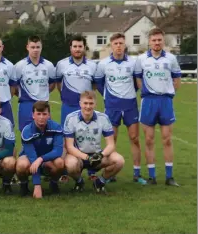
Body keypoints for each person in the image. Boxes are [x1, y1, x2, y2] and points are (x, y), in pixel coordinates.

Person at [94, 33, 145, 184]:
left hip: (130, 105)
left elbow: (136, 83)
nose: (118, 46)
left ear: (125, 45)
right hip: (112, 106)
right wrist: (108, 96)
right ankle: (112, 172)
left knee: (134, 138)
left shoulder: (133, 62)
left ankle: (137, 173)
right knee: (112, 140)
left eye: (121, 43)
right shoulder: (103, 64)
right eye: (115, 43)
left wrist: (128, 93)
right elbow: (99, 82)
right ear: (111, 45)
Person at [134, 28, 181, 186]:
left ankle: (169, 177)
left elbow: (177, 79)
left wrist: (169, 94)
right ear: (149, 42)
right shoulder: (141, 59)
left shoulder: (171, 58)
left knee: (167, 139)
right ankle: (152, 176)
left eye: (159, 40)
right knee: (149, 140)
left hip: (165, 102)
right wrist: (147, 93)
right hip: (148, 102)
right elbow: (138, 79)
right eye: (154, 40)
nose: (156, 43)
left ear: (163, 41)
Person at [63, 91, 125, 194]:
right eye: (85, 103)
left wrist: (101, 155)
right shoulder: (71, 118)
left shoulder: (103, 118)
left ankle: (100, 182)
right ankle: (79, 181)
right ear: (80, 104)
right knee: (70, 164)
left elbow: (111, 144)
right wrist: (87, 157)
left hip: (97, 155)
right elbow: (69, 147)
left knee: (119, 161)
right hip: (79, 156)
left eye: (91, 103)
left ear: (95, 104)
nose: (88, 106)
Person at [55, 35, 98, 178]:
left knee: (89, 136)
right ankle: (66, 171)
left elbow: (94, 87)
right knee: (67, 138)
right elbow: (58, 85)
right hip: (68, 106)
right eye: (75, 46)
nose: (77, 49)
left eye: (80, 46)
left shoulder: (92, 65)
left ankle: (92, 170)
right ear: (70, 48)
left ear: (84, 48)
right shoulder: (61, 64)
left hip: (86, 108)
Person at [16, 101, 64, 198]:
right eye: (38, 114)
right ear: (33, 115)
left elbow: (58, 151)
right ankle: (24, 185)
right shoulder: (27, 131)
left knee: (60, 162)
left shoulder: (56, 127)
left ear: (49, 115)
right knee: (21, 164)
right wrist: (37, 185)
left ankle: (53, 183)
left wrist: (41, 159)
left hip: (47, 159)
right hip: (30, 159)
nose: (41, 117)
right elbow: (32, 157)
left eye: (44, 114)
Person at [14, 35, 56, 131]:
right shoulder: (19, 65)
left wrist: (43, 94)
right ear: (27, 47)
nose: (35, 50)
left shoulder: (48, 65)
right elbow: (14, 86)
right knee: (25, 132)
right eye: (32, 47)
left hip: (43, 104)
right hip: (26, 104)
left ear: (41, 47)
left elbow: (52, 84)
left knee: (45, 132)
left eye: (38, 47)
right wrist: (23, 95)